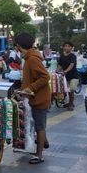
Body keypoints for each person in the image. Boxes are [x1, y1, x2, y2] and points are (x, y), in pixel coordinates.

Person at [14, 33, 50, 165]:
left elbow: (45, 77)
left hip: (40, 98)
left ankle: (39, 155)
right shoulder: (29, 58)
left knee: (39, 127)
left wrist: (30, 89)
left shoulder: (32, 59)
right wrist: (24, 90)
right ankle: (44, 142)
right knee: (38, 123)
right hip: (36, 97)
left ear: (18, 46)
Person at [58, 42, 79, 111]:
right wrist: (56, 71)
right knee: (63, 89)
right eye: (65, 46)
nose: (67, 47)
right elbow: (60, 65)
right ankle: (68, 102)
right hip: (64, 76)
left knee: (71, 90)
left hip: (73, 75)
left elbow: (71, 65)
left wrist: (66, 71)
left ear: (71, 47)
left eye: (68, 46)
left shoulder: (73, 56)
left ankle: (71, 104)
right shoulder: (61, 56)